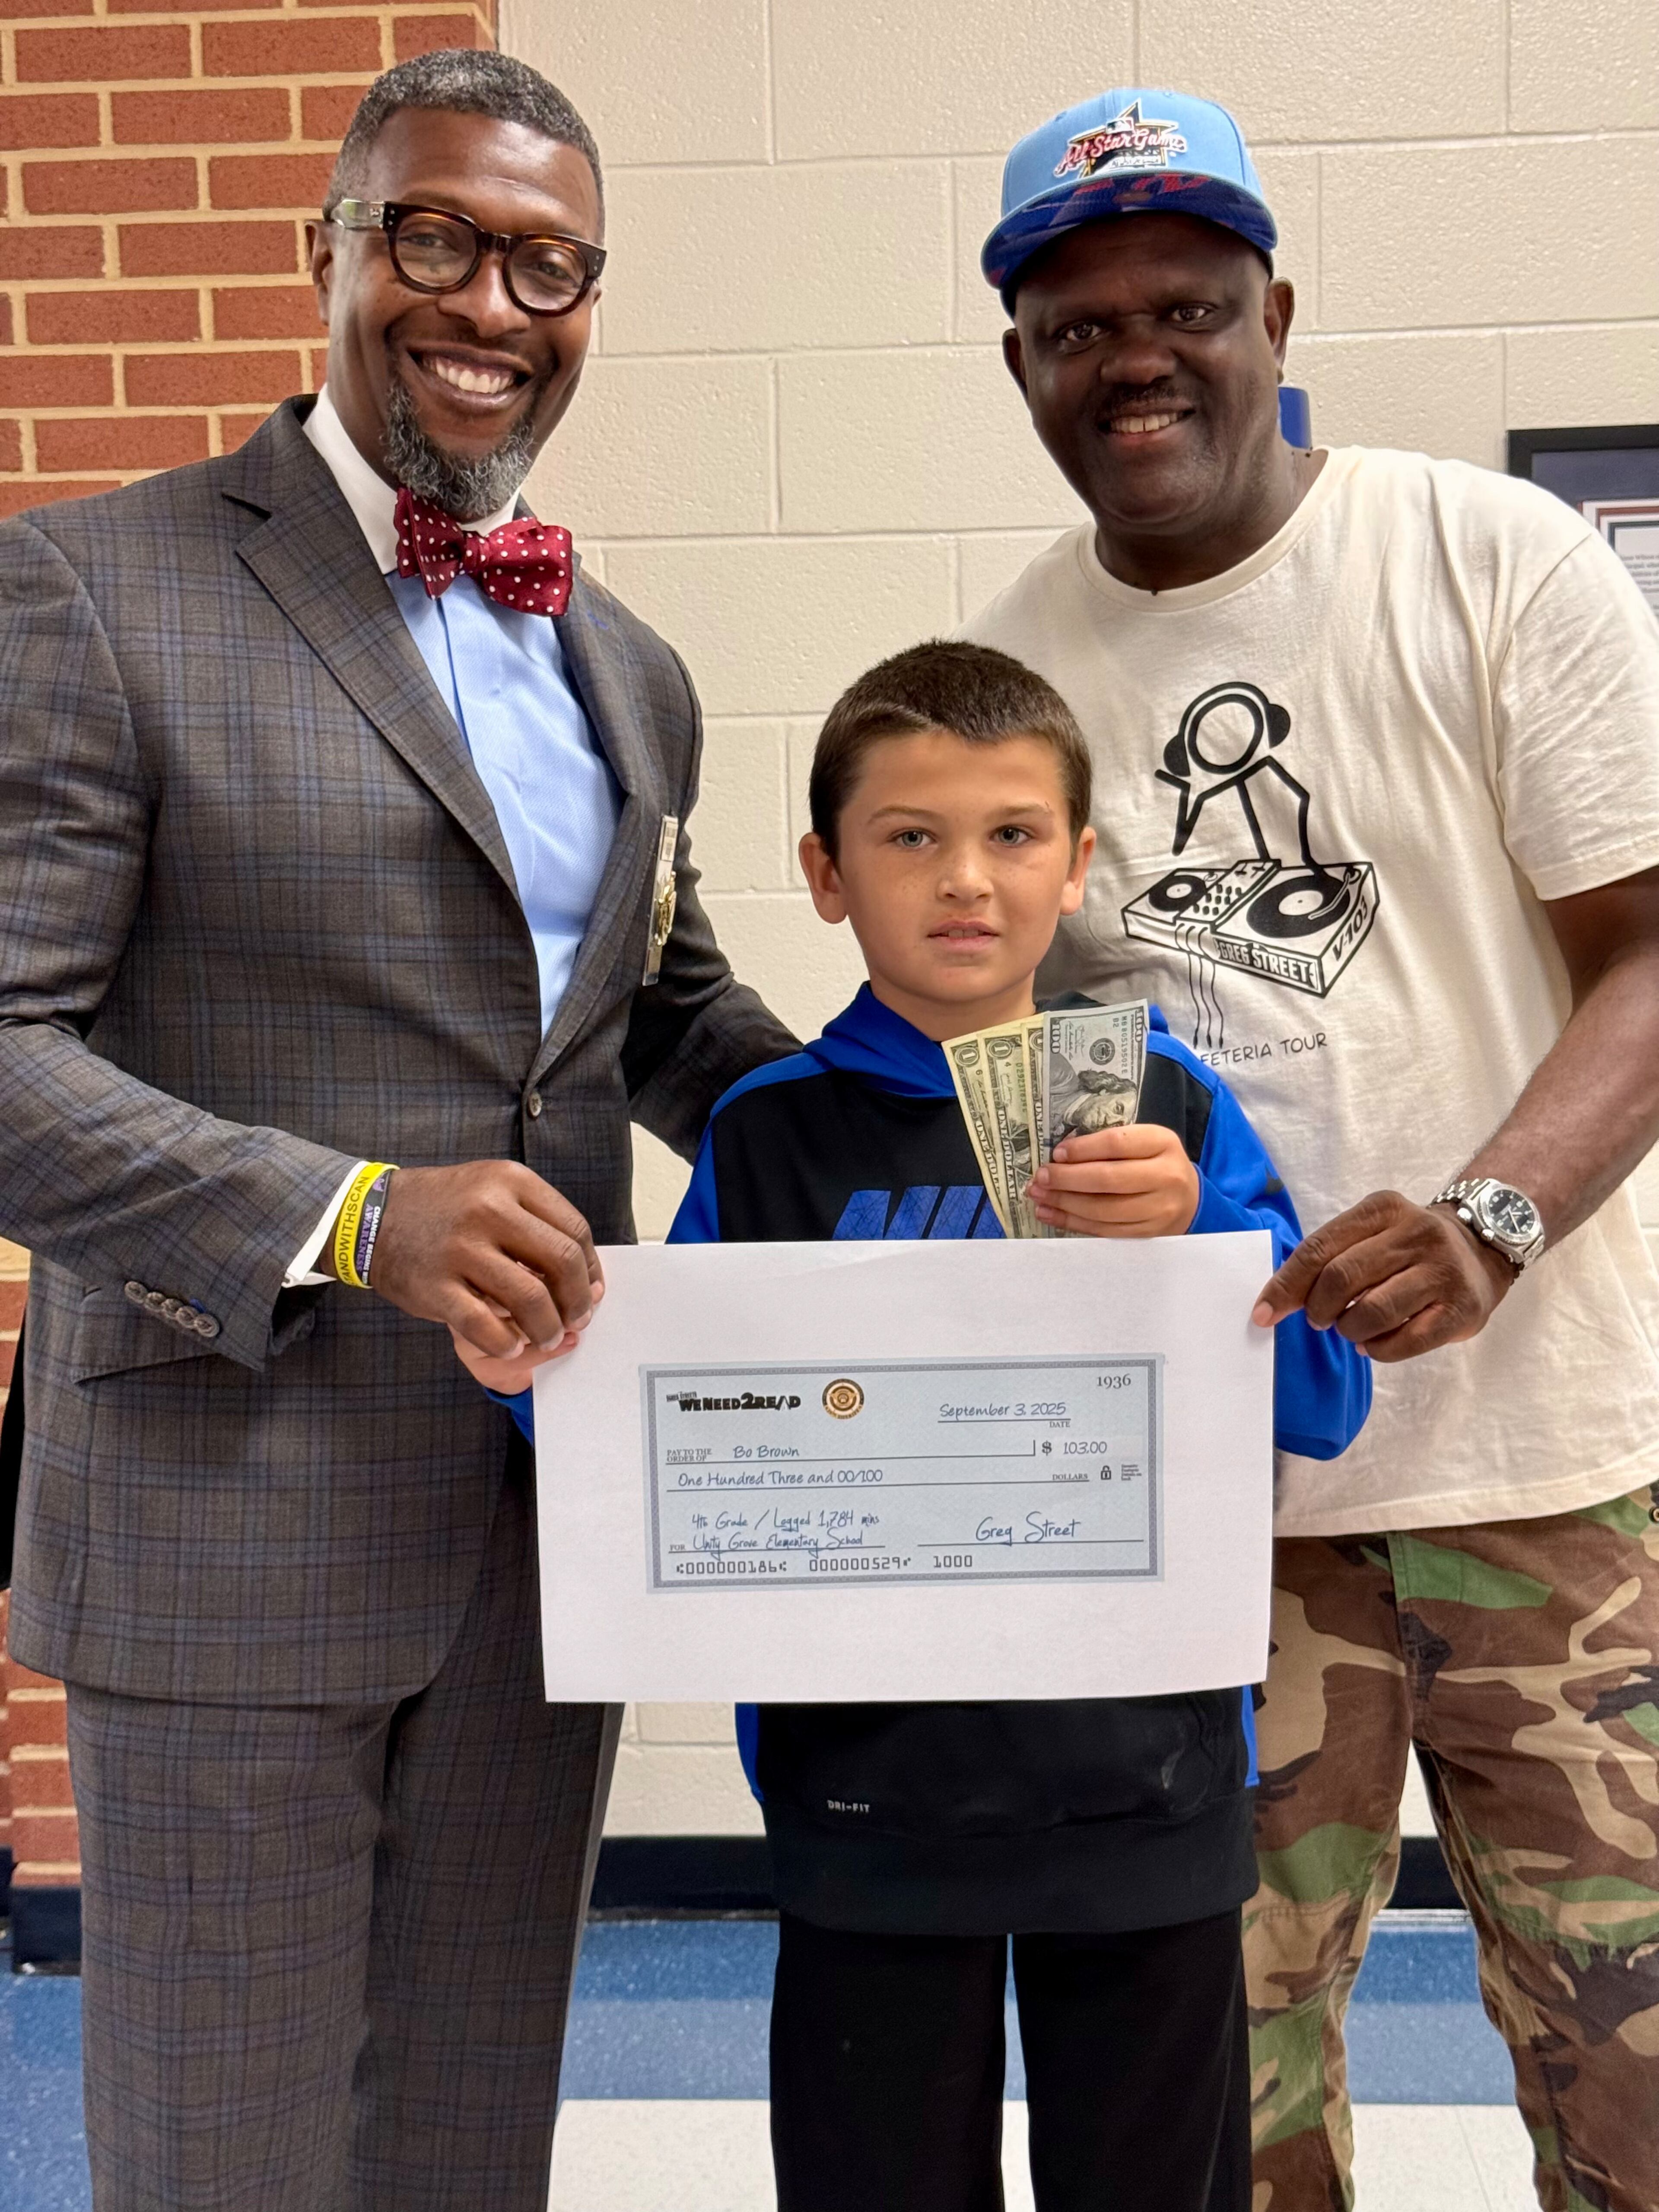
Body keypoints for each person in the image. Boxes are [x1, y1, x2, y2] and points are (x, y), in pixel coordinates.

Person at [0, 49, 795, 2211]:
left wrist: (955, 1128)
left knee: (467, 2148)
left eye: (548, 261)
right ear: (331, 250)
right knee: (231, 2156)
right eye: (432, 234)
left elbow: (663, 1016)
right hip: (226, 1509)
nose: (488, 301)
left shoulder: (624, 664)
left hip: (543, 1522)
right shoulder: (99, 589)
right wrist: (347, 1214)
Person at [961, 86, 1659, 2211]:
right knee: (1218, 2103)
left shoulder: (1485, 552)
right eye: (1081, 326)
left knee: (1633, 2082)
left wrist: (1491, 1214)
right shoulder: (1009, 666)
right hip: (1221, 1504)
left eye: (1186, 303)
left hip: (1553, 1481)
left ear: (1277, 308)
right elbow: (1029, 1055)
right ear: (1023, 366)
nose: (1138, 356)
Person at [461, 640, 1370, 2212]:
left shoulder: (1178, 1115)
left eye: (1015, 835)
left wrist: (1210, 1251)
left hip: (1145, 1788)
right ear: (827, 873)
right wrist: (525, 1373)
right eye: (911, 837)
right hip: (866, 1792)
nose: (968, 880)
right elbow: (666, 1442)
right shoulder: (772, 1134)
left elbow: (1326, 1405)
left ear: (1080, 865)